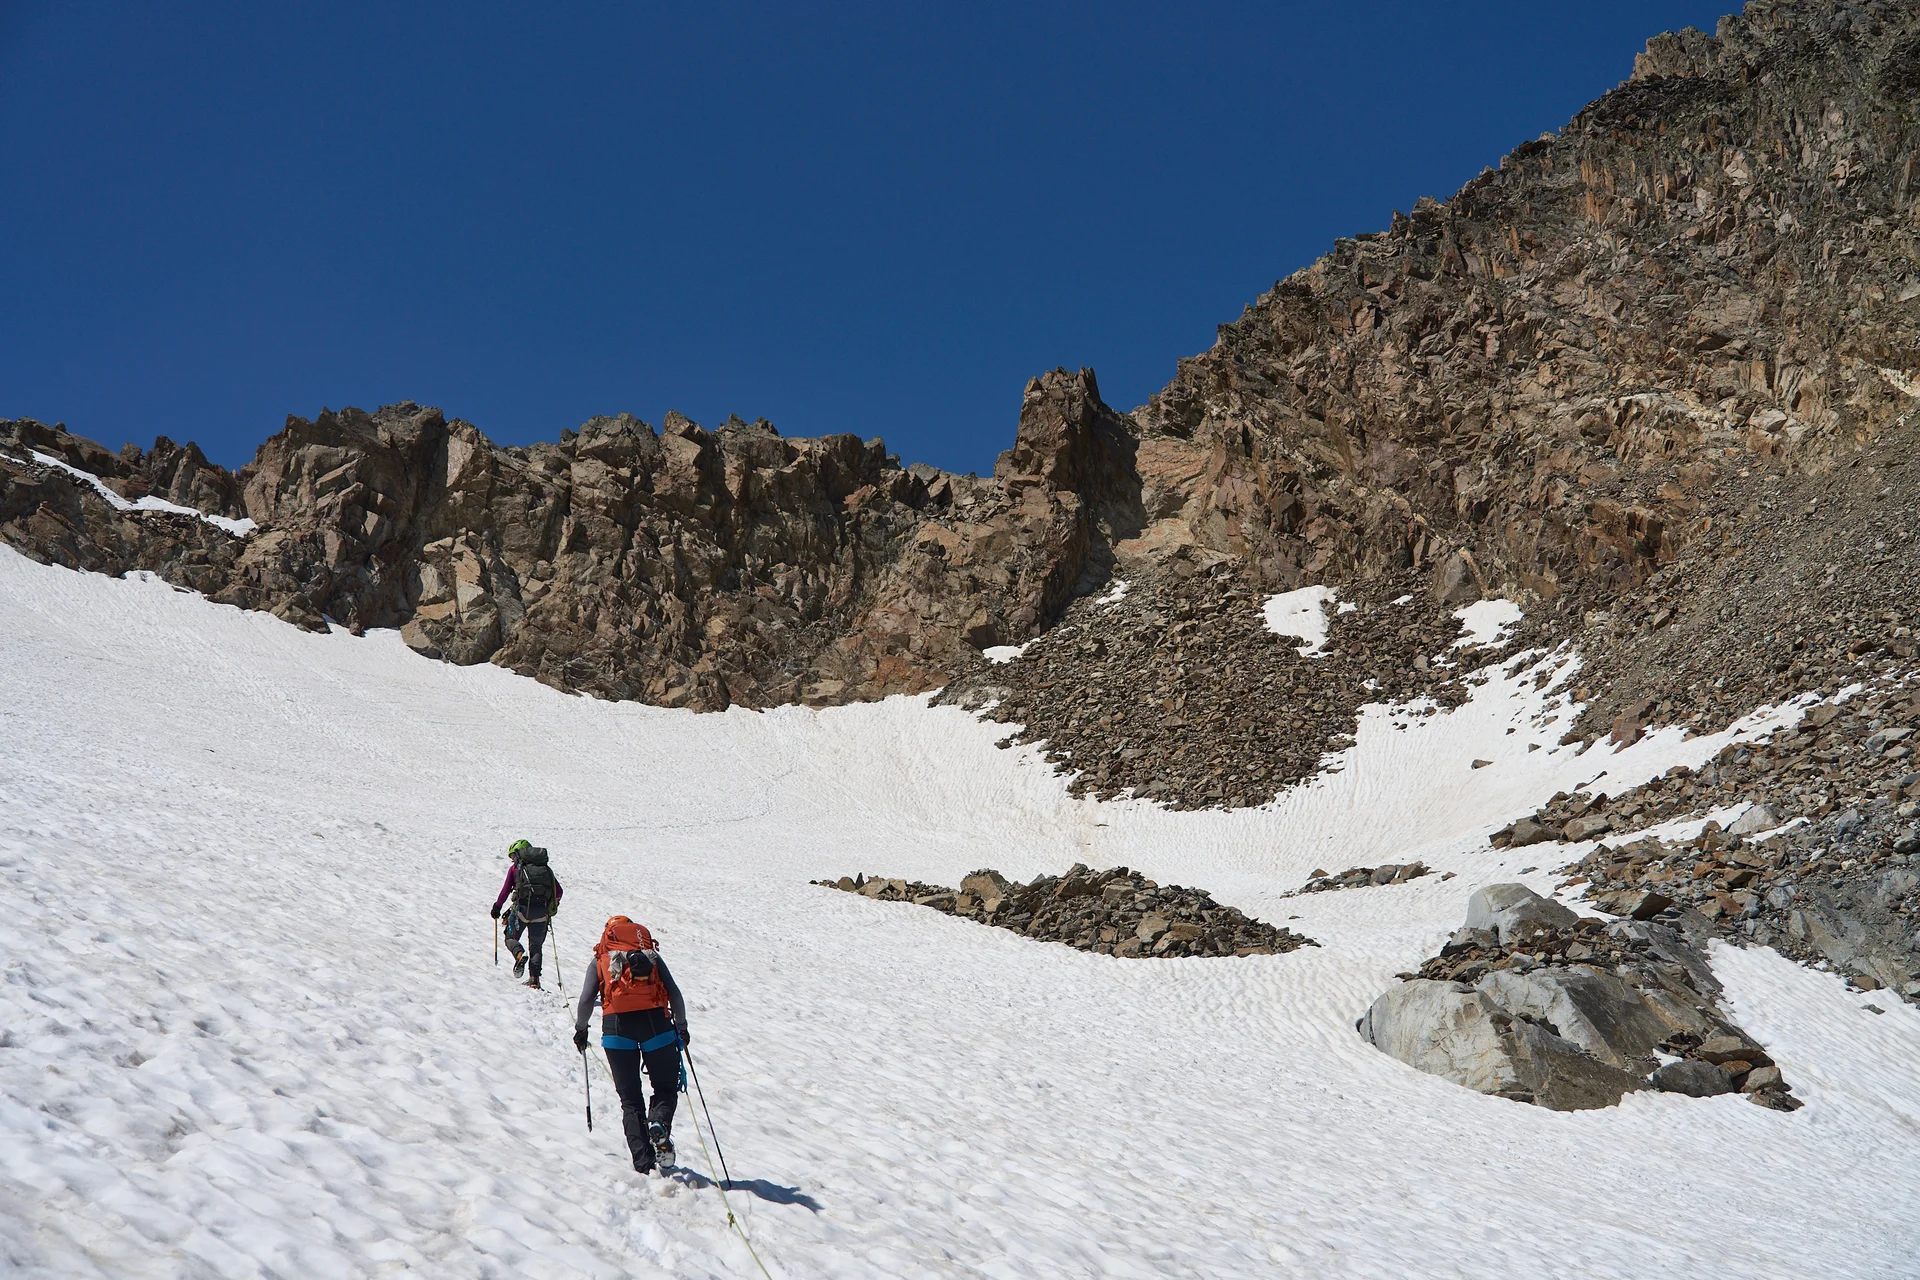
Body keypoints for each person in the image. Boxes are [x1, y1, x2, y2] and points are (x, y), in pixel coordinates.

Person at [573, 916, 689, 1173]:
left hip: (616, 1029)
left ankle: (644, 1163)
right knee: (665, 1087)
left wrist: (581, 1029)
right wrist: (682, 1027)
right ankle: (658, 1123)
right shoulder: (651, 956)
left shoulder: (600, 960)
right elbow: (675, 993)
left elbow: (586, 1000)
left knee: (631, 1101)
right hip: (656, 1025)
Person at [491, 840, 563, 989]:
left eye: (513, 856)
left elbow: (505, 891)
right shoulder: (546, 869)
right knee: (536, 946)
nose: (512, 859)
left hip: (521, 911)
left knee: (510, 938)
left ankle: (519, 954)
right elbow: (559, 891)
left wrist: (497, 907)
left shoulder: (515, 869)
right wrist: (550, 905)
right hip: (542, 914)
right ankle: (534, 980)